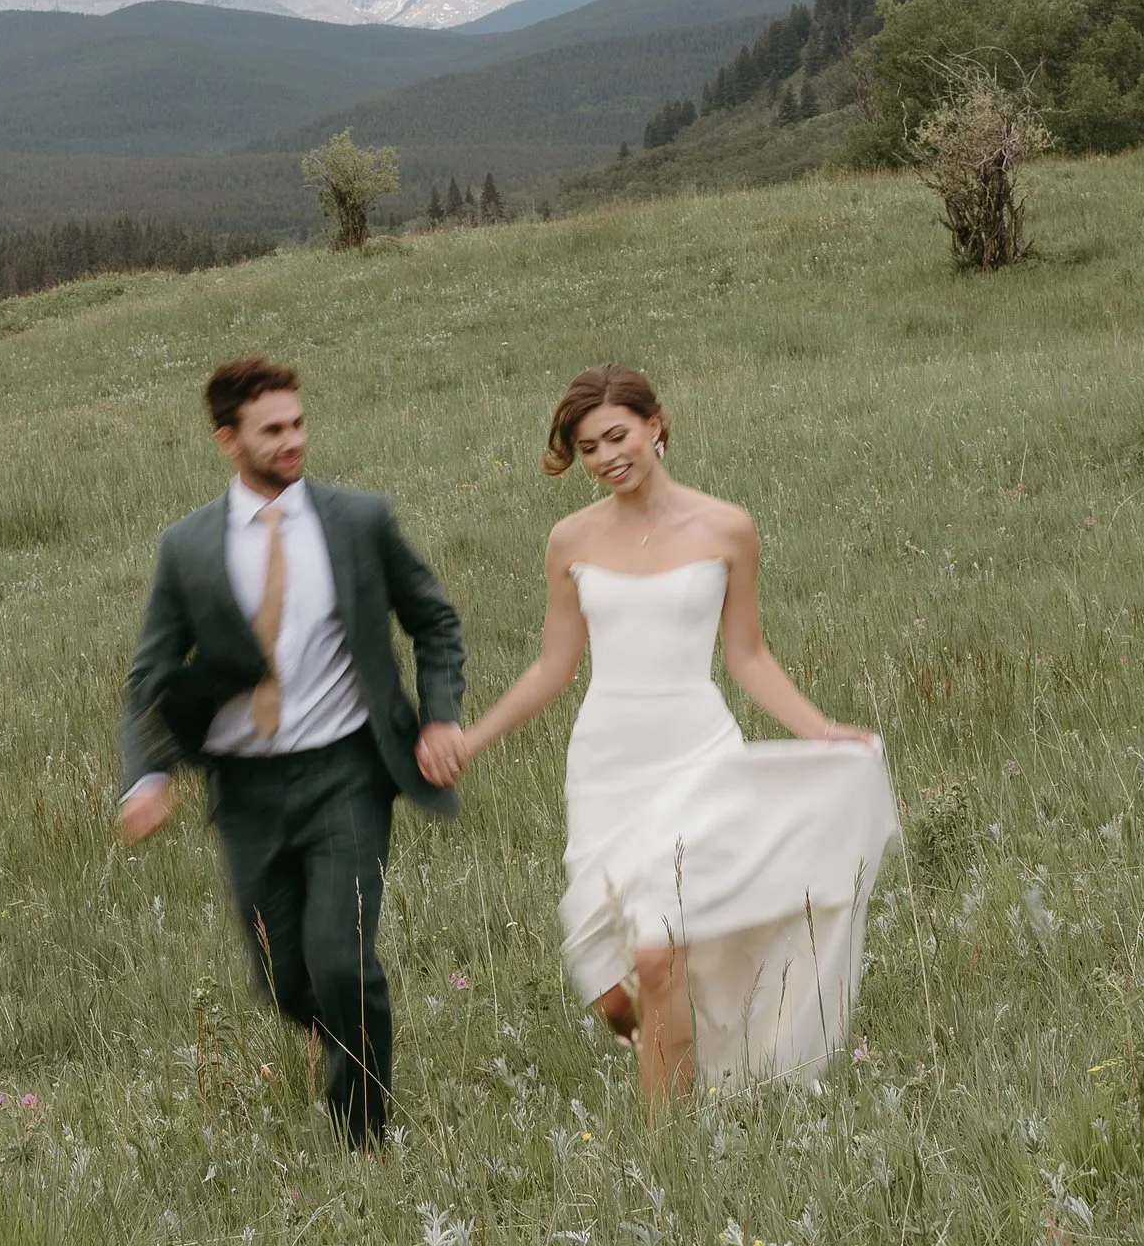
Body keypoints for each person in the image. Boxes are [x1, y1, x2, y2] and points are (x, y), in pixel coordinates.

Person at [445, 366, 897, 1103]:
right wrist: (472, 738)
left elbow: (747, 657)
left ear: (656, 424)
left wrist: (821, 730)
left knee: (659, 958)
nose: (605, 457)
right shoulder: (571, 540)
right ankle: (672, 1054)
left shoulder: (727, 528)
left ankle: (668, 1152)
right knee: (605, 970)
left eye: (617, 435)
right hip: (607, 763)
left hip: (697, 756)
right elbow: (553, 667)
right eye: (589, 447)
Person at [115, 357, 465, 1148]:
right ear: (227, 440)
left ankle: (365, 1137)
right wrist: (147, 773)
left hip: (347, 772)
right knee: (286, 982)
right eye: (272, 430)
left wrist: (440, 717)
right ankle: (350, 1034)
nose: (292, 441)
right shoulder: (188, 548)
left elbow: (434, 621)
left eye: (298, 424)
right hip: (245, 791)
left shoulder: (359, 521)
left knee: (342, 964)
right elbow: (148, 676)